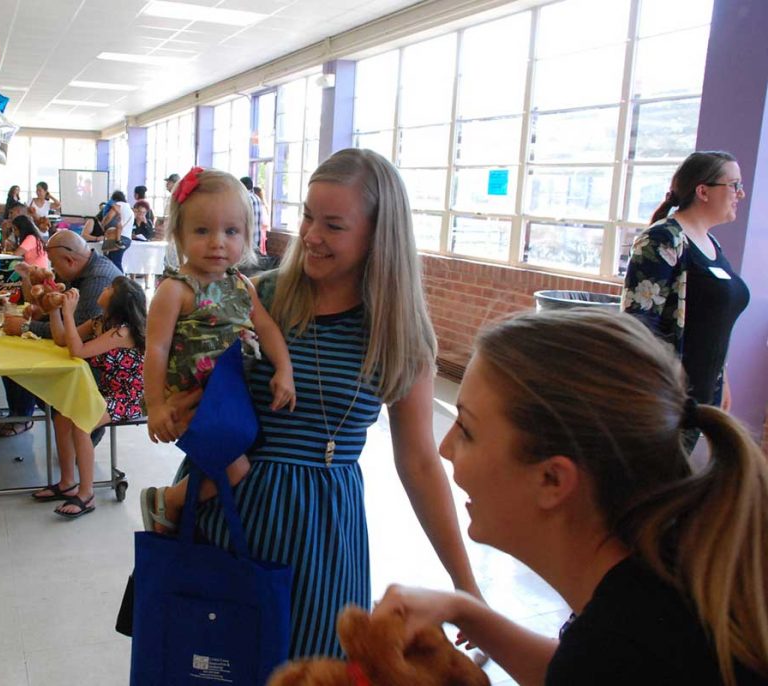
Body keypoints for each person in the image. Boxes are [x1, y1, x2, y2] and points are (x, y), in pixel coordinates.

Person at [152, 149, 480, 658]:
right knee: (208, 664)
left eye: (333, 224)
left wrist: (465, 585)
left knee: (311, 665)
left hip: (322, 538)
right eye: (307, 215)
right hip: (227, 515)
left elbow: (418, 460)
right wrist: (176, 407)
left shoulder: (400, 335)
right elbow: (179, 368)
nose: (311, 236)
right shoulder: (252, 294)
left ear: (378, 235)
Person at [376, 308, 768, 686]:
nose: (445, 448)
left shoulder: (629, 648)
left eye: (467, 430)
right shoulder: (655, 585)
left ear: (552, 479)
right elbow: (572, 667)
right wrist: (465, 610)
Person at [139, 165, 296, 532]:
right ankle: (167, 502)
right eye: (202, 231)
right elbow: (156, 350)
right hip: (194, 400)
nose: (217, 242)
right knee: (236, 468)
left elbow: (268, 329)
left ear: (247, 235)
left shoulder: (242, 285)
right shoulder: (175, 290)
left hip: (230, 397)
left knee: (233, 462)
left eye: (231, 231)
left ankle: (178, 507)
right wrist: (157, 406)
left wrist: (284, 370)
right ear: (178, 235)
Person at [623, 151, 750, 438]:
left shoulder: (710, 243)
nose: (740, 194)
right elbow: (639, 324)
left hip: (704, 394)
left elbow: (710, 322)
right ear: (703, 191)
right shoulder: (663, 239)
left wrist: (722, 377)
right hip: (666, 400)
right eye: (734, 185)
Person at [38, 278, 147, 517]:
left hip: (130, 397)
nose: (104, 289)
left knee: (81, 421)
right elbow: (62, 340)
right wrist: (55, 310)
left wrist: (68, 311)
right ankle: (67, 483)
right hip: (107, 392)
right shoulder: (100, 322)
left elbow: (78, 351)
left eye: (110, 289)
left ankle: (86, 494)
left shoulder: (122, 331)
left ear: (118, 301)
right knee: (62, 416)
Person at [0, 231, 120, 438]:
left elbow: (77, 332)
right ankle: (22, 415)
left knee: (28, 363)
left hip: (104, 364)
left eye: (54, 263)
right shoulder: (81, 272)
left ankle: (83, 430)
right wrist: (42, 315)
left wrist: (27, 327)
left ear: (70, 260)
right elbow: (66, 316)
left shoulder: (98, 279)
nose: (52, 269)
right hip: (84, 348)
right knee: (15, 354)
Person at [97, 190, 135, 272]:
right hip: (127, 239)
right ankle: (116, 282)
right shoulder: (130, 210)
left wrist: (103, 224)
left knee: (115, 263)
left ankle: (122, 283)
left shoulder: (118, 205)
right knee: (114, 261)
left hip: (118, 238)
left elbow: (108, 217)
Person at [239, 176, 264, 256]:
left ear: (241, 186)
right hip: (256, 242)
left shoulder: (244, 199)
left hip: (247, 244)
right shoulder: (257, 198)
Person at [253, 185, 270, 253]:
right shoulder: (263, 205)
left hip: (260, 233)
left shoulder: (261, 206)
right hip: (261, 232)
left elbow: (265, 223)